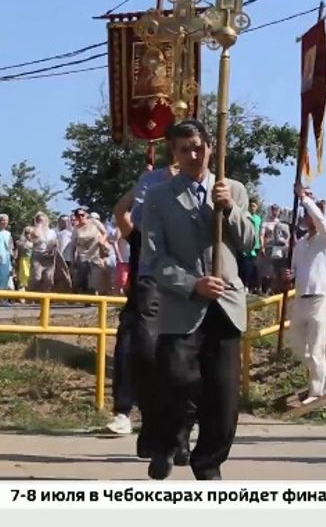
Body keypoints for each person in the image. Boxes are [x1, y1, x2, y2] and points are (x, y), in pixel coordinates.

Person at [142, 119, 254, 481]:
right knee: (175, 382)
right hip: (182, 306)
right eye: (183, 149)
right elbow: (155, 259)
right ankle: (166, 443)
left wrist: (229, 210)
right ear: (173, 154)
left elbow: (249, 241)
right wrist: (192, 283)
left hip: (226, 305)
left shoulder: (232, 189)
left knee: (223, 397)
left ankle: (209, 463)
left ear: (210, 146)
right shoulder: (159, 198)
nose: (193, 154)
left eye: (198, 146)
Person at [110, 153, 192, 456]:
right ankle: (127, 412)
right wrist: (142, 186)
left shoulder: (179, 233)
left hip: (175, 294)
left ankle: (175, 426)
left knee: (172, 359)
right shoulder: (140, 234)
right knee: (134, 350)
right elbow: (122, 214)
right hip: (143, 296)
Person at [285, 183, 326, 405]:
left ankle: (316, 391)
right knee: (299, 345)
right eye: (306, 215)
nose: (310, 218)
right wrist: (290, 275)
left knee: (316, 347)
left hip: (321, 298)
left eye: (312, 214)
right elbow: (296, 269)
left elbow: (321, 221)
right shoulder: (300, 244)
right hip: (301, 298)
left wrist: (305, 198)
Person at [28, 212, 58, 292]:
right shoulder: (33, 230)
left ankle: (45, 297)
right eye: (38, 220)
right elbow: (34, 237)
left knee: (48, 278)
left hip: (49, 257)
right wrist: (38, 226)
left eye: (42, 220)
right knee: (36, 277)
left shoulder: (52, 232)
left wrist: (52, 248)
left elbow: (55, 243)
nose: (41, 222)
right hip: (37, 255)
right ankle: (31, 294)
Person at [239, 201, 262, 294]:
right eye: (251, 206)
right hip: (246, 245)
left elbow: (260, 232)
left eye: (254, 206)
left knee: (253, 267)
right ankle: (244, 285)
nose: (252, 208)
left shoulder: (258, 218)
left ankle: (251, 286)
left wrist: (261, 245)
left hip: (255, 246)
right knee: (245, 266)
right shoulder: (245, 216)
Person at [15, 227, 32, 292]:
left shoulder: (35, 243)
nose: (29, 235)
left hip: (32, 262)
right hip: (24, 261)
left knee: (30, 277)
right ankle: (22, 294)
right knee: (24, 276)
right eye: (27, 233)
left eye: (30, 233)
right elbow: (18, 254)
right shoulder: (21, 243)